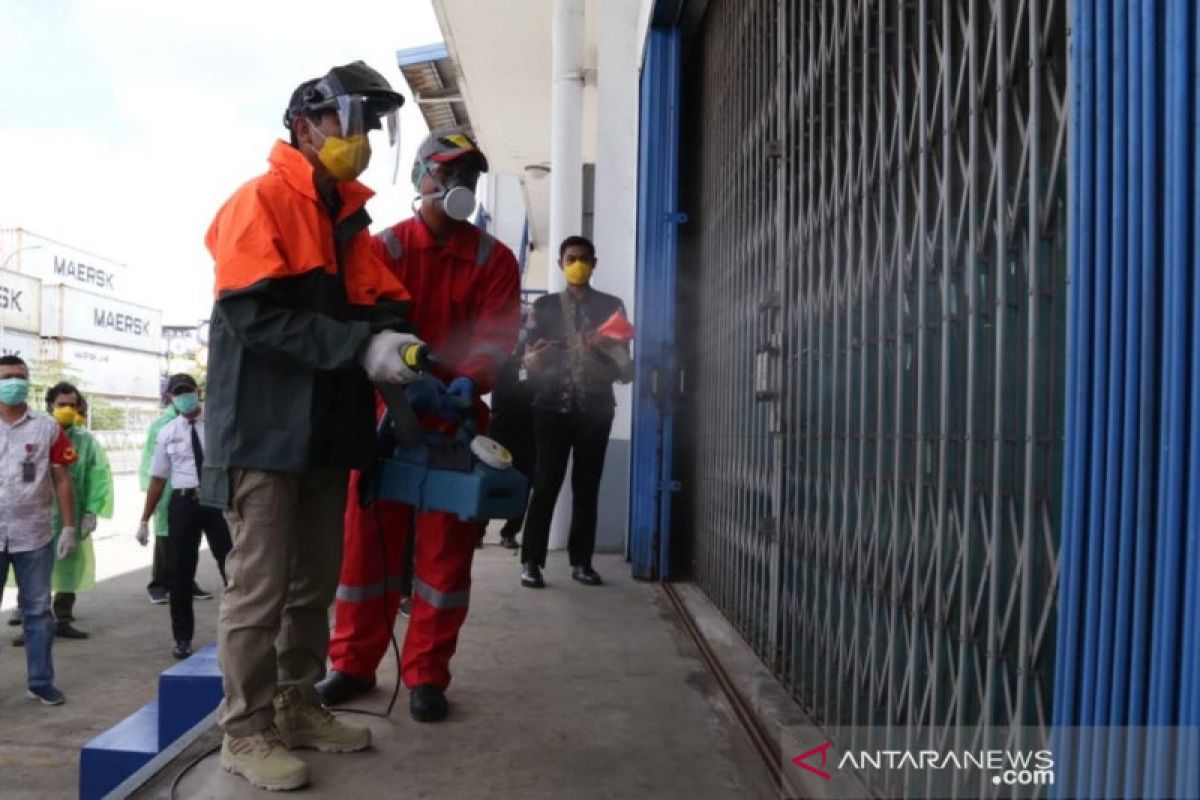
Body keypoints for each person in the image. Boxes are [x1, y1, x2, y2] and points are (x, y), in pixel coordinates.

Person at [203, 62, 421, 791]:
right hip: (263, 433)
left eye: (370, 127)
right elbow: (252, 315)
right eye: (349, 122)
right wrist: (357, 345)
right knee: (258, 591)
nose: (360, 139)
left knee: (312, 587)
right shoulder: (259, 201)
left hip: (328, 431)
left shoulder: (350, 221)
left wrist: (398, 340)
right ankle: (244, 729)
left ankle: (297, 705)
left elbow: (382, 304)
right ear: (305, 124)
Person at [318, 127, 520, 722]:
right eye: (449, 173)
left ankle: (427, 675)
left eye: (471, 177)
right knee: (366, 551)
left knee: (445, 557)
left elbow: (497, 336)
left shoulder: (493, 258)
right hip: (387, 417)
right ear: (422, 178)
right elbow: (369, 326)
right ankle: (353, 666)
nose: (460, 186)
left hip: (456, 421)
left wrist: (471, 376)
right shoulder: (384, 250)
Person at [519, 236, 633, 588]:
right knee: (546, 484)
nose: (578, 265)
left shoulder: (612, 305)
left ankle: (582, 562)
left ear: (594, 263)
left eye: (584, 259)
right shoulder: (546, 306)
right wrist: (535, 358)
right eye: (571, 259)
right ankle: (531, 562)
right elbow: (525, 359)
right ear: (560, 263)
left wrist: (606, 348)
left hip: (595, 410)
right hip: (551, 408)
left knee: (587, 488)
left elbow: (625, 367)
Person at [136, 374, 231, 660]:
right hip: (183, 504)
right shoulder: (167, 433)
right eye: (177, 394)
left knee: (233, 567)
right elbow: (157, 480)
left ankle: (242, 632)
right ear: (170, 399)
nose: (183, 397)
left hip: (216, 503)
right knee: (180, 574)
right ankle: (182, 638)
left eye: (187, 391)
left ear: (197, 392)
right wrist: (144, 519)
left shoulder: (216, 425)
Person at [0, 355, 77, 705]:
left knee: (37, 612)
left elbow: (62, 479)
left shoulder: (47, 427)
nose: (14, 382)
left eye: (20, 376)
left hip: (34, 534)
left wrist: (69, 527)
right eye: (7, 377)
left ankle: (41, 680)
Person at [487, 303, 538, 549]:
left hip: (529, 429)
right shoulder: (501, 356)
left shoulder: (537, 356)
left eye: (527, 321)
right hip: (501, 426)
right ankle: (478, 529)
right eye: (520, 321)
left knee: (525, 481)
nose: (524, 326)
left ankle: (510, 532)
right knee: (491, 478)